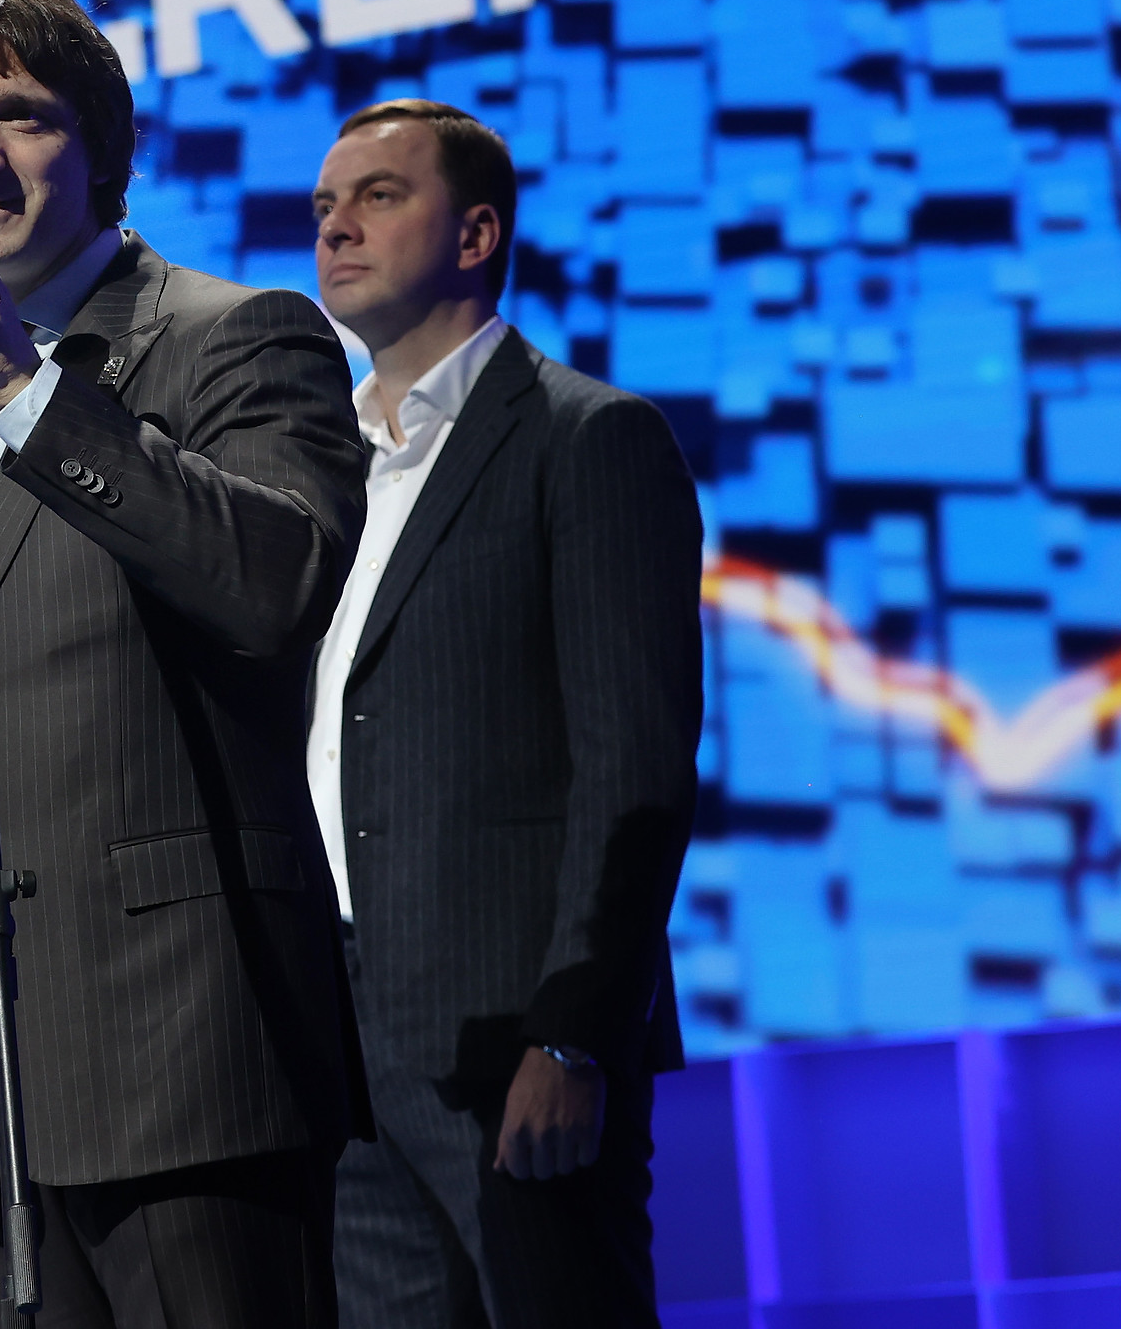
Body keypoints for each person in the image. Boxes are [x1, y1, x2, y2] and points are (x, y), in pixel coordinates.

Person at [0, 0, 369, 1329]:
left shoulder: (240, 338)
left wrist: (25, 385)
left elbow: (274, 583)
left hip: (194, 1065)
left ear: (104, 153)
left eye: (23, 114)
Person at [303, 101, 703, 1327]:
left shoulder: (589, 437)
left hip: (513, 1033)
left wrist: (576, 1033)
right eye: (324, 206)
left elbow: (634, 771)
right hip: (337, 1032)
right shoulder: (315, 469)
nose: (336, 228)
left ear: (476, 234)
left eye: (378, 195)